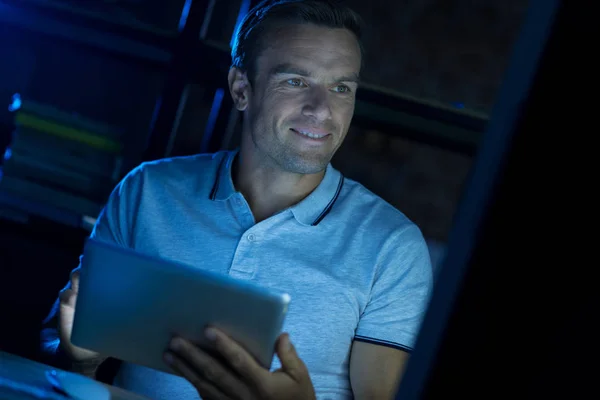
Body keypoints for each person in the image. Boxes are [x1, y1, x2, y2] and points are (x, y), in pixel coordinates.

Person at [40, 0, 433, 399]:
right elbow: (61, 355)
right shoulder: (148, 191)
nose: (322, 110)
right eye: (296, 81)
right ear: (241, 88)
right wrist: (81, 360)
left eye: (341, 87)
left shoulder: (392, 247)